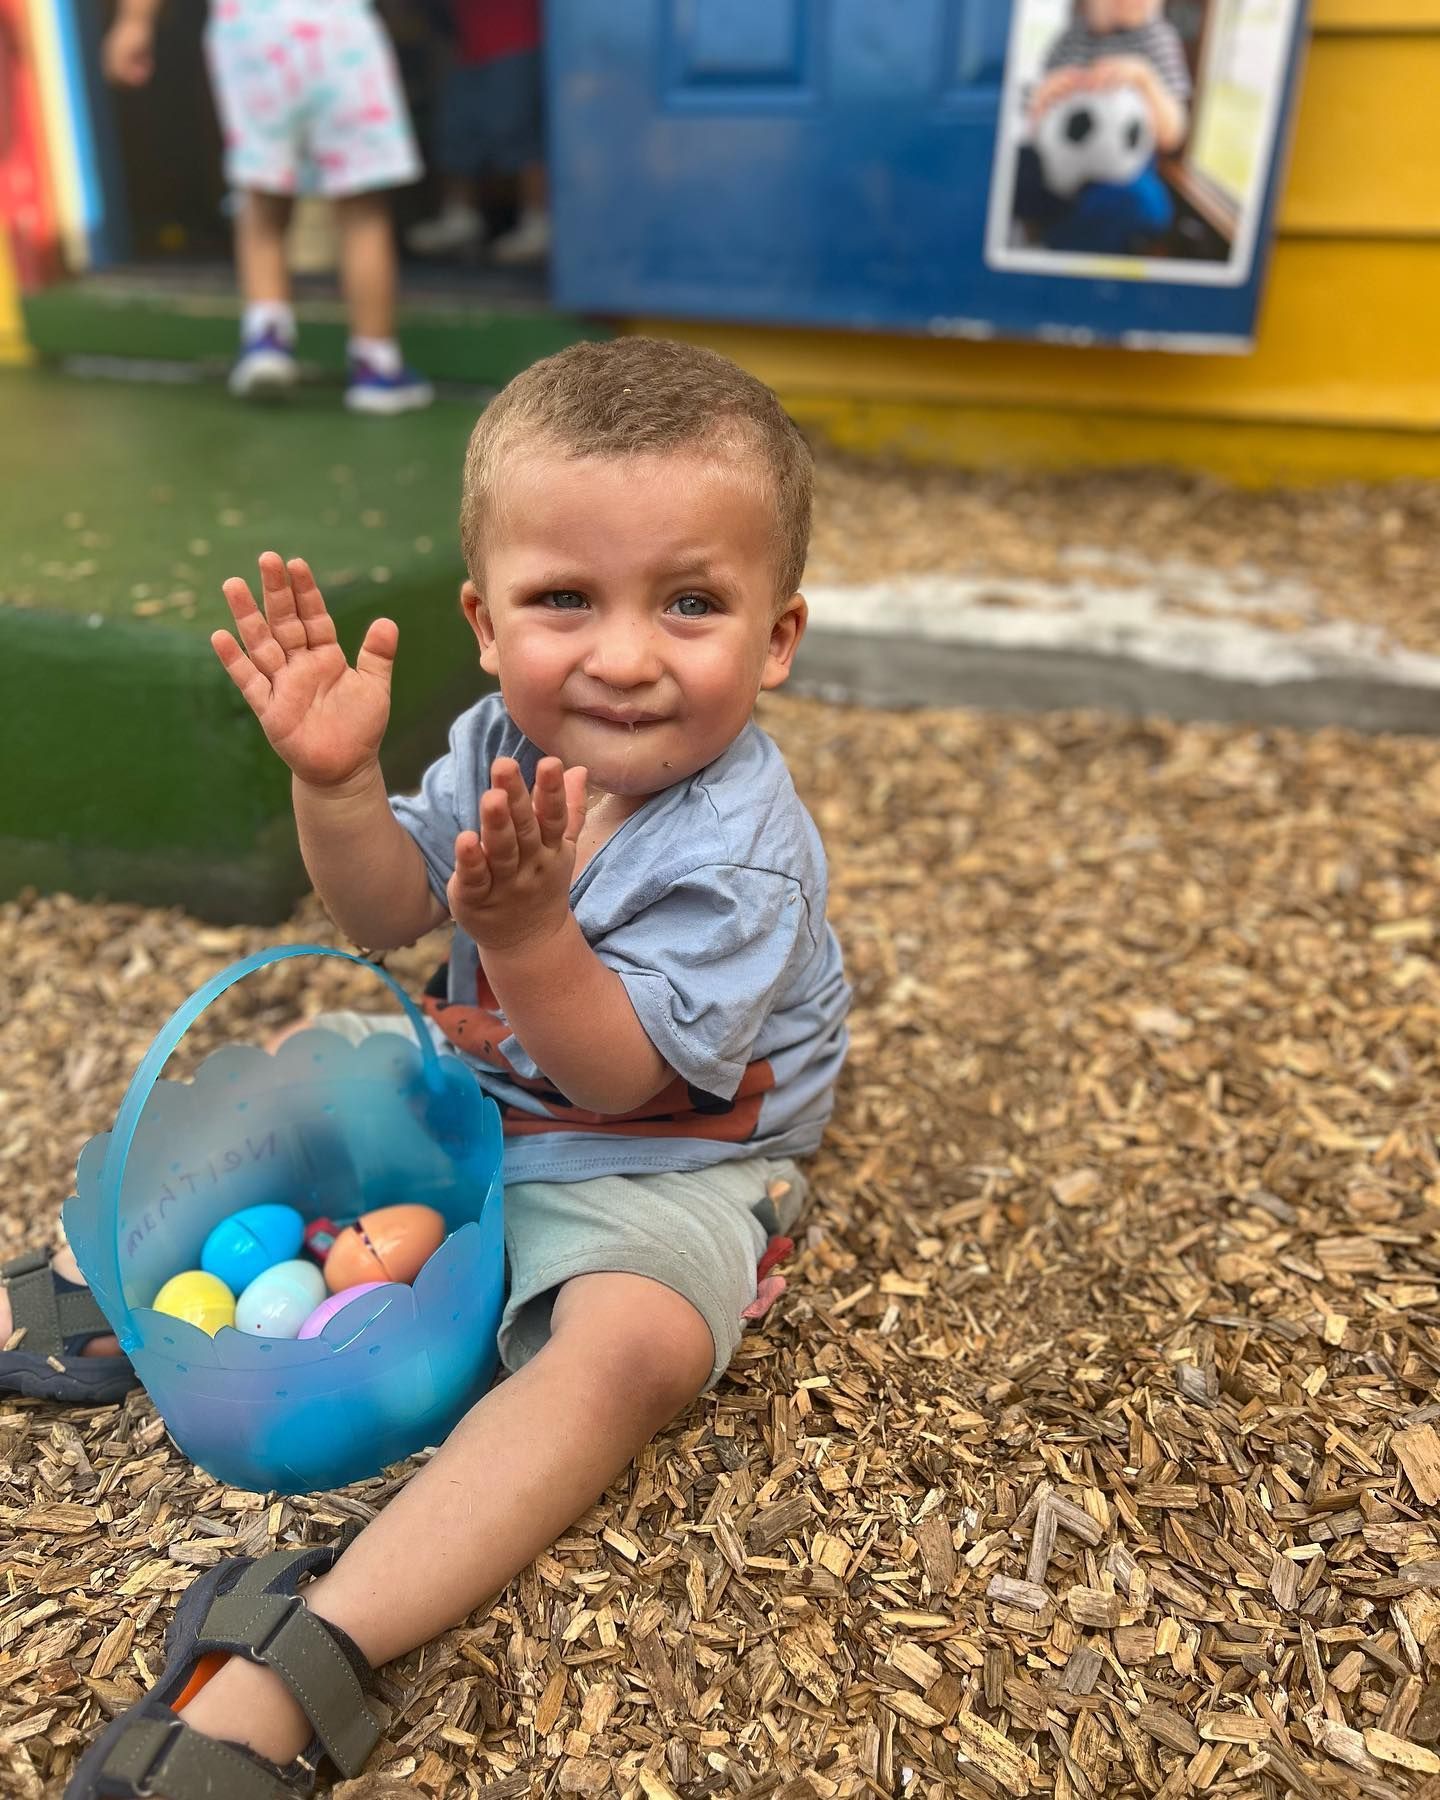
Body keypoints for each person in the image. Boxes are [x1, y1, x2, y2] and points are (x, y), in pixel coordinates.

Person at [2, 336, 850, 1798]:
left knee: (630, 1348)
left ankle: (307, 1648)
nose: (627, 654)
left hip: (662, 1146)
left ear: (777, 636)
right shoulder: (498, 735)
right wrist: (334, 787)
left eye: (693, 603)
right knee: (305, 1053)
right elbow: (388, 910)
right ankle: (126, 1272)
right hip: (480, 1081)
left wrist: (520, 935)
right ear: (484, 619)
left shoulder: (740, 850)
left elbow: (613, 1077)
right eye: (565, 600)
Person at [103, 0, 434, 414]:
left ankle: (267, 338)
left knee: (259, 196)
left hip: (251, 38)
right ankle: (376, 365)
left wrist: (134, 22)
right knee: (362, 209)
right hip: (339, 33)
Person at [1016, 0, 1191, 255]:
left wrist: (1146, 80)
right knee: (1012, 170)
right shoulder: (1069, 39)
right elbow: (1037, 122)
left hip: (1123, 175)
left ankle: (1057, 249)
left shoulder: (1159, 39)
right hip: (1060, 169)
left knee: (1143, 205)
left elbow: (1173, 135)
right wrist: (1043, 99)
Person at [406, 0, 549, 264]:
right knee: (456, 134)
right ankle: (460, 219)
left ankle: (538, 222)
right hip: (469, 48)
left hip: (517, 42)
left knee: (520, 134)